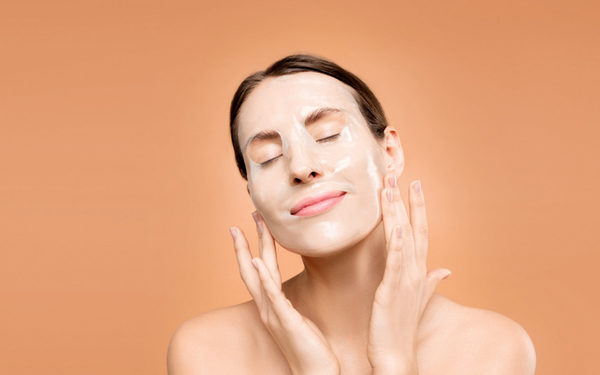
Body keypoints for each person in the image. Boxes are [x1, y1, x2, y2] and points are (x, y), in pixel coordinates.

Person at [167, 54, 536, 374]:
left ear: (389, 152)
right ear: (252, 192)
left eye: (327, 135)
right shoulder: (207, 352)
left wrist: (395, 364)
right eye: (268, 157)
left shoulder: (492, 349)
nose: (301, 167)